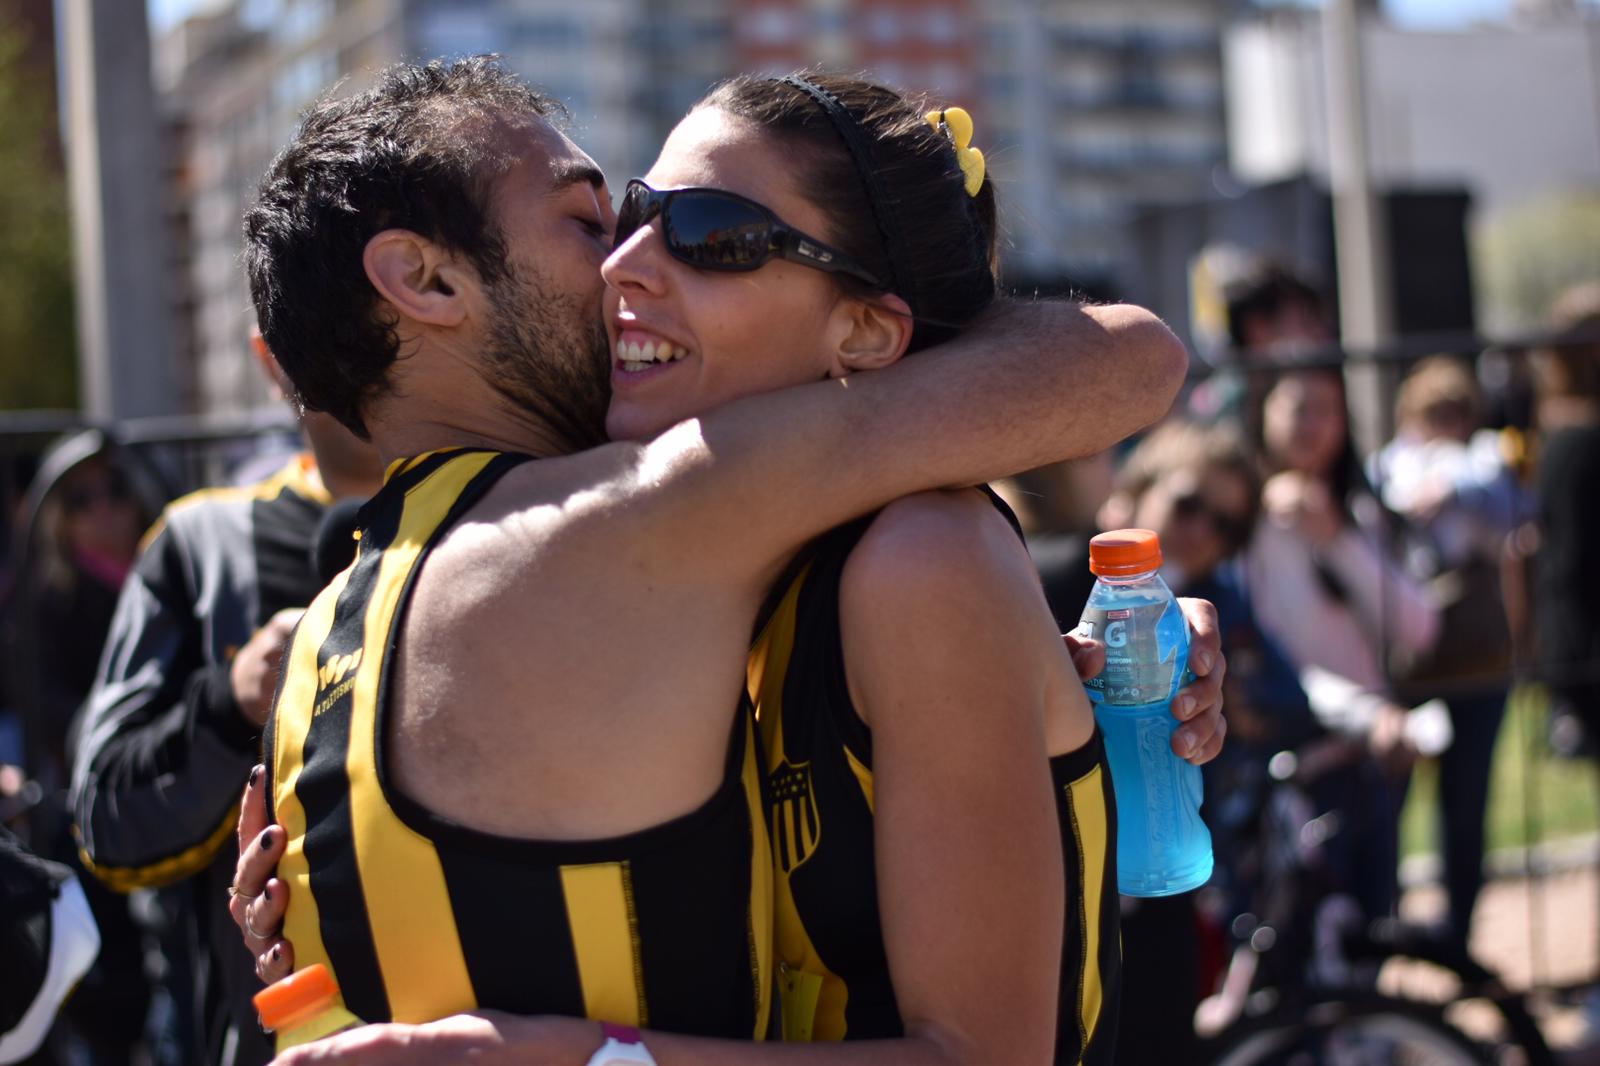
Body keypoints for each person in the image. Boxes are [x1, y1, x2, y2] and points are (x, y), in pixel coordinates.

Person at [220, 58, 1213, 1064]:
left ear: (868, 331)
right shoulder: (674, 542)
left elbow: (1133, 361)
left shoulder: (334, 633)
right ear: (427, 282)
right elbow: (1118, 360)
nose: (621, 264)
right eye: (600, 221)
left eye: (706, 235)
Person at [69, 334, 382, 1066]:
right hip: (277, 1035)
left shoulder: (522, 507)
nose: (360, 342)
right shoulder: (205, 545)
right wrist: (227, 703)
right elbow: (103, 816)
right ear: (272, 359)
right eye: (324, 321)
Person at [1244, 365, 1440, 922]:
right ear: (1265, 414)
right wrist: (1364, 715)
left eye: (1328, 411)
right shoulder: (1244, 525)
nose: (1314, 425)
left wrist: (1336, 539)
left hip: (1373, 760)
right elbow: (1268, 656)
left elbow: (1419, 628)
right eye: (1299, 408)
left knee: (1374, 923)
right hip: (1293, 762)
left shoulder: (1358, 511)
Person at [1370, 355, 1527, 947]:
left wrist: (1454, 489)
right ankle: (1383, 933)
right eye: (1432, 412)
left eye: (1454, 412)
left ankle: (1458, 936)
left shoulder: (1484, 461)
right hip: (1410, 669)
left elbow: (1514, 516)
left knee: (1466, 805)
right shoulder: (1387, 466)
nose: (1443, 424)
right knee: (1389, 807)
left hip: (1478, 662)